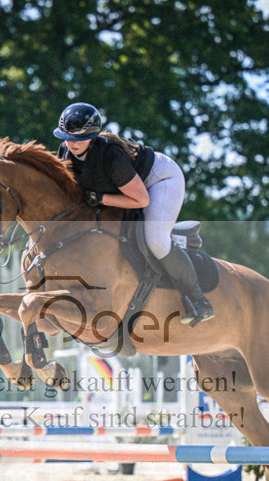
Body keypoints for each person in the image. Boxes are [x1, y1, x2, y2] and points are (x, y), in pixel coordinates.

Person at [53, 102, 213, 325]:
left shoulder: (110, 157)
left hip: (159, 180)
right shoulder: (64, 153)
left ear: (92, 136)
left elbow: (141, 200)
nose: (72, 143)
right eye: (66, 136)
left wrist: (101, 199)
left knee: (155, 240)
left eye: (78, 138)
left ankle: (199, 301)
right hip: (126, 188)